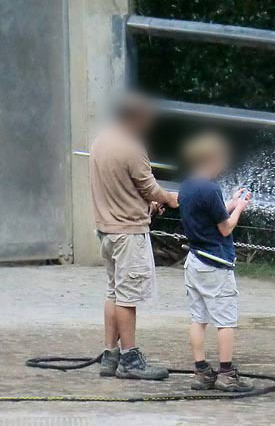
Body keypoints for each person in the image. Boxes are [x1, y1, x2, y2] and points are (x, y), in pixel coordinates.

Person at [90, 93, 178, 380]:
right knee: (128, 298)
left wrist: (147, 205)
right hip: (128, 234)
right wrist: (170, 199)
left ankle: (109, 355)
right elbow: (150, 188)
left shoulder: (101, 140)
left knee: (114, 292)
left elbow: (123, 187)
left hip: (107, 230)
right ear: (134, 117)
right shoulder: (132, 147)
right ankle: (129, 358)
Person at [178, 133, 254, 393]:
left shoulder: (187, 186)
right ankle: (226, 374)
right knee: (225, 321)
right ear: (211, 159)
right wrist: (240, 208)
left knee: (198, 319)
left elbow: (209, 212)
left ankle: (201, 372)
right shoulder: (211, 189)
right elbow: (225, 228)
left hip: (194, 261)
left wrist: (230, 203)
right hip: (215, 264)